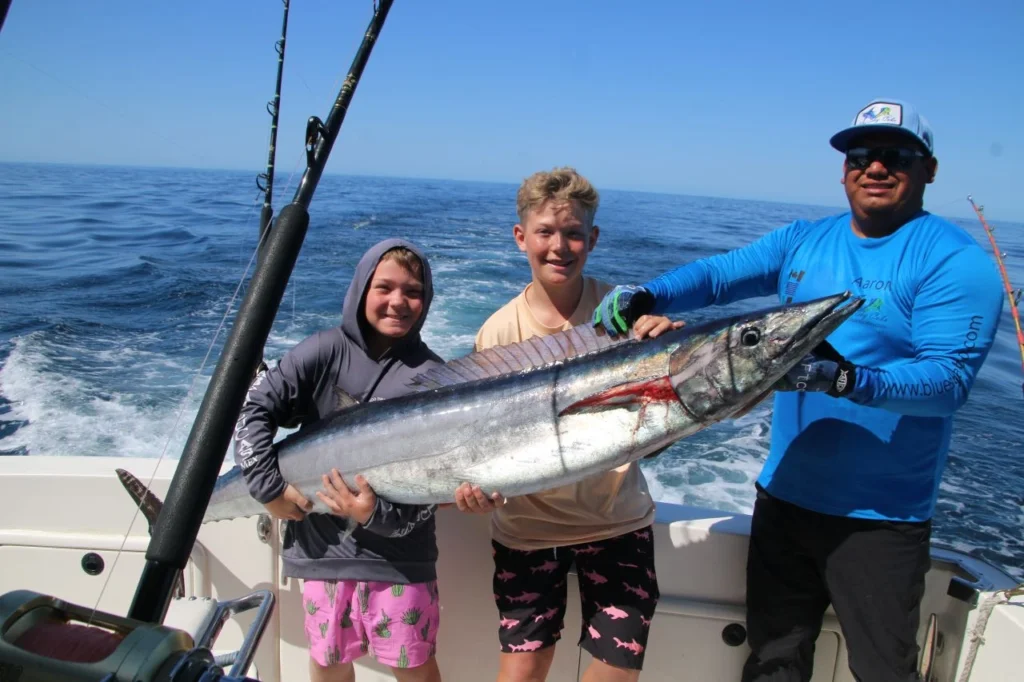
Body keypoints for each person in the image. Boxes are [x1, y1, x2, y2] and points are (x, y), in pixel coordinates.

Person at [592, 99, 1004, 682]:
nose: (875, 168)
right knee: (773, 664)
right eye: (861, 156)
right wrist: (649, 296)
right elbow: (715, 277)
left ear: (928, 170)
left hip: (880, 520)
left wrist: (847, 379)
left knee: (883, 671)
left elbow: (948, 383)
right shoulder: (804, 242)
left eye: (895, 155)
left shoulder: (953, 261)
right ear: (843, 170)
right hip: (783, 501)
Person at [458, 166, 681, 682]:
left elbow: (658, 422)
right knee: (521, 674)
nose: (560, 246)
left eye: (574, 233)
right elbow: (479, 443)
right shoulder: (497, 333)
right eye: (546, 233)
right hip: (527, 529)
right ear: (521, 238)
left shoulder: (625, 315)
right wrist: (473, 491)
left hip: (617, 523)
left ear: (593, 239)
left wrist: (668, 353)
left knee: (616, 673)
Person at [233, 238, 447, 682]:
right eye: (384, 287)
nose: (398, 301)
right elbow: (253, 406)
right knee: (329, 664)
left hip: (401, 559)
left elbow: (436, 478)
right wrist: (267, 487)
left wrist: (375, 515)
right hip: (321, 554)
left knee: (415, 667)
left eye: (413, 292)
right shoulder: (324, 350)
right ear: (361, 289)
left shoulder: (435, 376)